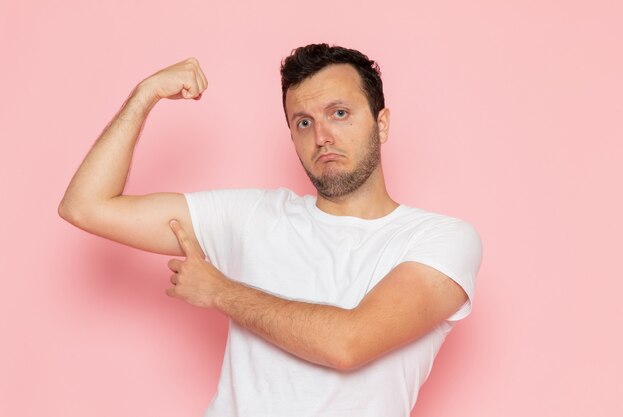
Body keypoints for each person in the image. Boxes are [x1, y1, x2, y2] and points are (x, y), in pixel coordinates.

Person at [59, 44, 482, 417]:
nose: (322, 136)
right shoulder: (253, 216)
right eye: (303, 122)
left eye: (339, 113)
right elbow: (86, 207)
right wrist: (144, 95)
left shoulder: (439, 239)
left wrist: (220, 291)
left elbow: (349, 343)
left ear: (381, 122)